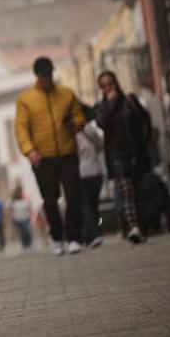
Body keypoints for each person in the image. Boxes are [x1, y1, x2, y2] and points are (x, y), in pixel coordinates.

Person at [15, 56, 85, 256]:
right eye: (44, 76)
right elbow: (21, 128)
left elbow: (80, 116)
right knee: (50, 198)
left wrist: (75, 124)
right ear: (37, 76)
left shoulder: (66, 94)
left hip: (67, 152)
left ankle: (74, 238)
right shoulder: (25, 100)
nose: (47, 79)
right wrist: (30, 151)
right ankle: (56, 237)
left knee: (73, 195)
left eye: (50, 75)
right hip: (42, 157)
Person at [94, 71, 152, 244]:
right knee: (127, 193)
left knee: (138, 193)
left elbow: (145, 122)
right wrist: (110, 104)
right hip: (116, 157)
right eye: (103, 86)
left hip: (135, 154)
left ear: (116, 83)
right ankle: (133, 227)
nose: (107, 88)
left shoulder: (130, 100)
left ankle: (140, 228)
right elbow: (101, 122)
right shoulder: (102, 107)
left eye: (110, 84)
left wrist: (144, 142)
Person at [76, 104, 105, 247]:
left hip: (81, 174)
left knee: (85, 206)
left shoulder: (72, 133)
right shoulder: (90, 129)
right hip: (96, 172)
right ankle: (91, 234)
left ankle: (94, 235)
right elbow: (100, 145)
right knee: (93, 206)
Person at [9, 185, 33, 250]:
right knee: (22, 233)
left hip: (25, 218)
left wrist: (30, 215)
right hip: (18, 219)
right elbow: (10, 208)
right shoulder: (13, 201)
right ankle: (25, 245)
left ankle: (29, 244)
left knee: (27, 231)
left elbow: (29, 207)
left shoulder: (25, 199)